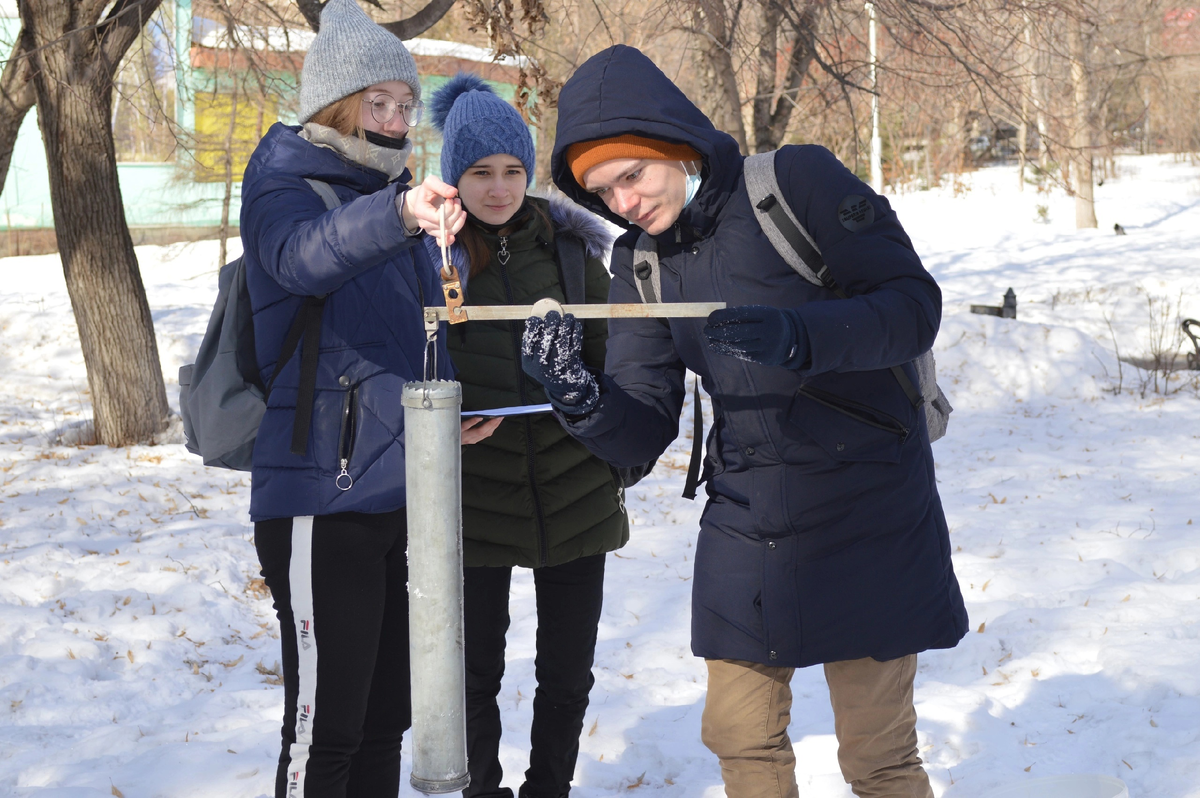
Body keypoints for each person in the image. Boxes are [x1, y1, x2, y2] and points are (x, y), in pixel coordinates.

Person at [519, 45, 968, 798]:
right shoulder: (639, 264)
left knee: (876, 755)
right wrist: (579, 397)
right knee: (740, 736)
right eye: (604, 192)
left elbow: (912, 306)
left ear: (675, 144)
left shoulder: (796, 183)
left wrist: (802, 337)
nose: (623, 202)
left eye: (632, 175)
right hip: (747, 512)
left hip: (869, 501)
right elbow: (643, 418)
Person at [238, 2, 498, 796]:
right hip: (323, 494)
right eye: (375, 103)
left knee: (389, 718)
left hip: (402, 496)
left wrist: (438, 425)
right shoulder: (285, 182)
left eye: (403, 104)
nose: (392, 120)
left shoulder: (401, 201)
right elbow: (301, 260)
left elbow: (402, 347)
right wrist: (396, 214)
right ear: (335, 105)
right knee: (330, 731)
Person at [422, 73, 628, 798]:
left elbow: (622, 373)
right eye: (480, 172)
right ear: (454, 176)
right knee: (474, 671)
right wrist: (439, 435)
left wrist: (585, 403)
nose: (499, 188)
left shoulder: (573, 252)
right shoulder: (429, 257)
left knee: (567, 673)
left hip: (576, 494)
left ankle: (550, 789)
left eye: (513, 170)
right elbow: (403, 373)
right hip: (473, 502)